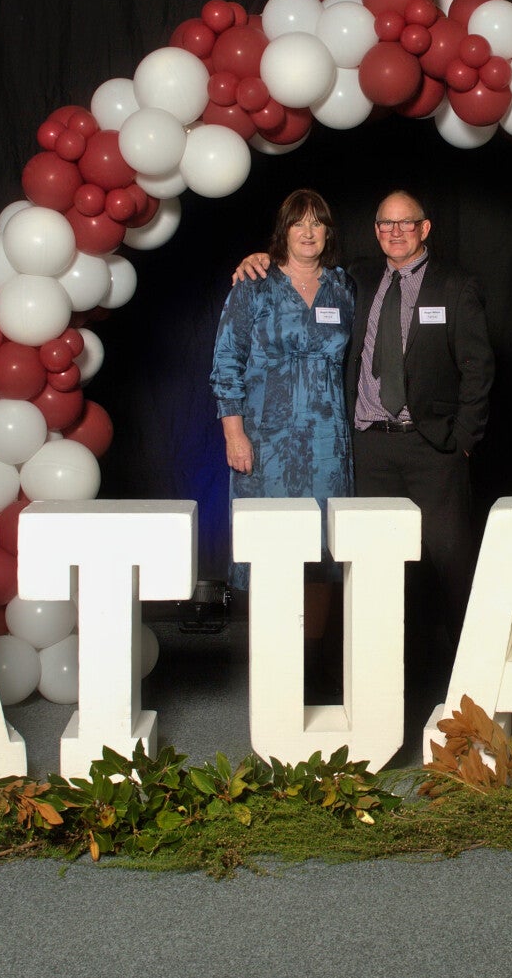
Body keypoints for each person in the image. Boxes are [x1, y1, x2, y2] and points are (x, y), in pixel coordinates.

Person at [237, 190, 494, 676]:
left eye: (405, 223)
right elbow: (301, 264)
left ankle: (477, 674)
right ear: (375, 231)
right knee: (374, 567)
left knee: (451, 563)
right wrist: (260, 259)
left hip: (432, 446)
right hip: (368, 448)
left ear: (424, 228)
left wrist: (463, 439)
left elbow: (478, 368)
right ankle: (381, 675)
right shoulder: (355, 279)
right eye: (385, 224)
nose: (396, 232)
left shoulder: (455, 285)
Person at [210, 189, 355, 599]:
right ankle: (273, 638)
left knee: (324, 549)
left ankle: (315, 642)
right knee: (270, 545)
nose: (308, 232)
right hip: (265, 441)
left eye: (317, 223)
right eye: (298, 223)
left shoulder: (344, 287)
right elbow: (226, 363)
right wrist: (234, 435)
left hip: (328, 444)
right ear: (284, 231)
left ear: (328, 232)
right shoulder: (254, 285)